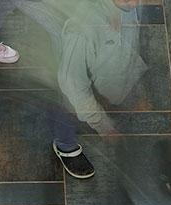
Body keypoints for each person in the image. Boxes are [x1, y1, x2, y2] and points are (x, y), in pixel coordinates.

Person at [18, 0, 147, 178]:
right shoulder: (82, 29)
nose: (134, 3)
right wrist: (104, 126)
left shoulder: (126, 7)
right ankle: (66, 146)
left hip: (100, 59)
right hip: (72, 49)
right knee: (64, 96)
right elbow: (72, 84)